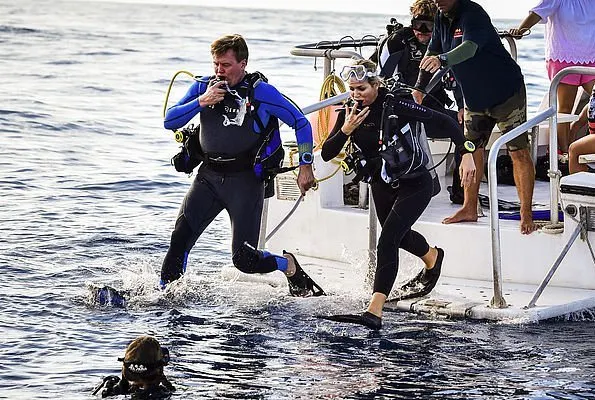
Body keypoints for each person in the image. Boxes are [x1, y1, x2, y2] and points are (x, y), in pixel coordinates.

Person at [318, 60, 476, 329]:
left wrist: (467, 153)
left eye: (363, 88)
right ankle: (432, 257)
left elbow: (446, 122)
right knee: (398, 236)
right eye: (353, 89)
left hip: (415, 183)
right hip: (382, 184)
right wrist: (346, 130)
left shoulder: (397, 106)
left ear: (376, 85)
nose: (357, 95)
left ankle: (374, 311)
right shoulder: (349, 113)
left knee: (387, 240)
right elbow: (327, 153)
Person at [161, 34, 321, 297]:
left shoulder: (260, 93)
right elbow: (170, 121)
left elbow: (300, 122)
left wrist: (306, 166)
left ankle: (288, 265)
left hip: (245, 182)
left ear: (243, 63)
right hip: (208, 178)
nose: (219, 71)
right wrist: (202, 101)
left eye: (225, 65)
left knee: (244, 261)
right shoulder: (203, 87)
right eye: (216, 64)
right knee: (179, 241)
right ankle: (164, 299)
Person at [417, 0, 537, 234]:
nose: (438, 2)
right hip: (474, 99)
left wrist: (442, 59)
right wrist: (419, 89)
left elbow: (469, 48)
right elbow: (432, 51)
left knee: (518, 151)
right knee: (471, 150)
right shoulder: (441, 18)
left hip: (506, 94)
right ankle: (469, 208)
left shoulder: (473, 14)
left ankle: (526, 213)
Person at [371, 0, 466, 203]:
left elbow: (459, 76)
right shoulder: (398, 41)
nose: (421, 31)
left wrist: (461, 106)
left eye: (428, 26)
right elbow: (380, 79)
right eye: (417, 25)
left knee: (466, 127)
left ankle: (461, 191)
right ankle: (398, 186)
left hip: (432, 109)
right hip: (401, 109)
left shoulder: (447, 42)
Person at [509, 0, 595, 159]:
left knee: (594, 99)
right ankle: (565, 154)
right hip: (564, 57)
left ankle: (577, 126)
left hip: (591, 57)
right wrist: (520, 30)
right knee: (565, 108)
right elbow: (537, 13)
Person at [92, 336, 174, 398]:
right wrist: (166, 384)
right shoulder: (163, 393)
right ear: (159, 369)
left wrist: (121, 385)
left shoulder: (111, 390)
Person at [568, 86, 595, 174]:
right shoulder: (590, 107)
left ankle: (579, 186)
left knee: (575, 149)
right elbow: (575, 126)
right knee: (574, 147)